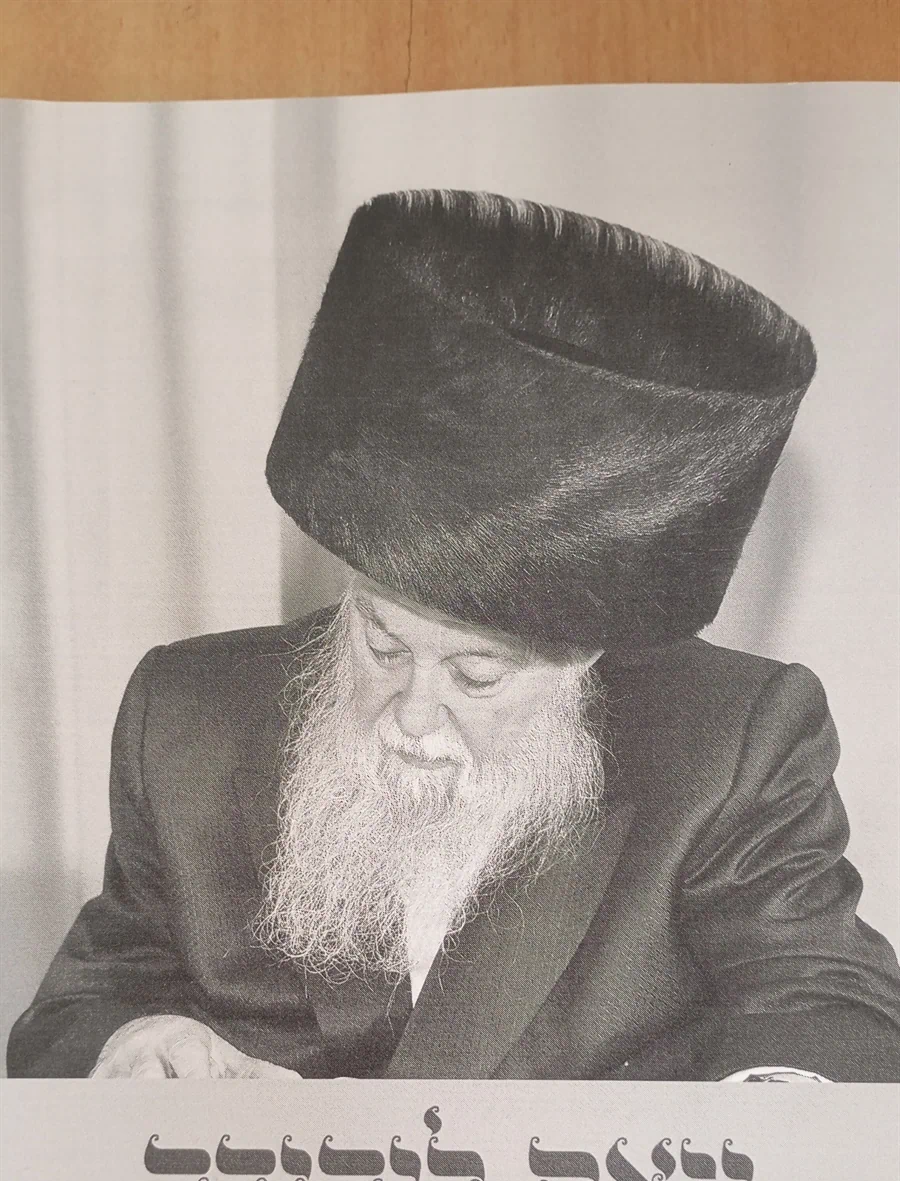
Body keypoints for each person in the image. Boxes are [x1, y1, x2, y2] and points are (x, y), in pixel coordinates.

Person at [7, 189, 900, 1081]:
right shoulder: (185, 717)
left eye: (476, 676)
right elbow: (76, 1011)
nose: (413, 717)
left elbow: (826, 1004)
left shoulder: (732, 738)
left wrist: (764, 1113)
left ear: (582, 658)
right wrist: (128, 1042)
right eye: (383, 646)